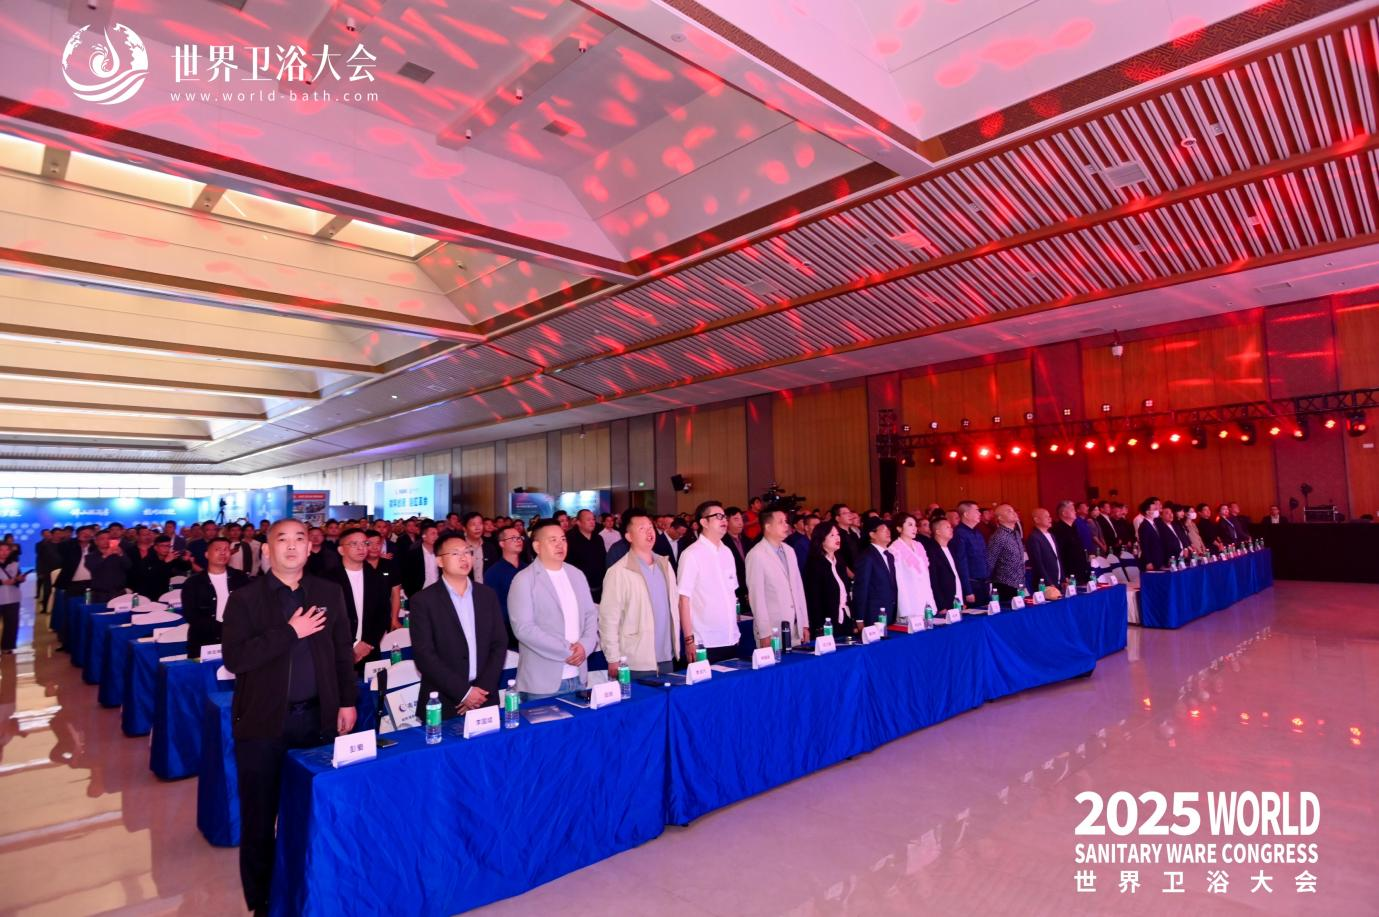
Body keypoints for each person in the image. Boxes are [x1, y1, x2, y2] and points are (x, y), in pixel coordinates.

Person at [223, 519, 357, 916]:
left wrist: (346, 701)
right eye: (282, 539)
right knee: (260, 817)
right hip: (263, 725)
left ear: (311, 548)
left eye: (301, 538)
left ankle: (314, 889)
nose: (293, 546)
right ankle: (262, 901)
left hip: (317, 721)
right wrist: (290, 631)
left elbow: (341, 653)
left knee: (313, 810)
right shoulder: (245, 599)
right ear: (267, 550)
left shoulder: (328, 592)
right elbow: (236, 659)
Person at [408, 532, 507, 719]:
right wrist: (464, 693)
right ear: (439, 561)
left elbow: (499, 644)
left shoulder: (487, 595)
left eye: (467, 552)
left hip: (484, 697)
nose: (464, 558)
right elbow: (424, 655)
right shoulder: (423, 601)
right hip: (444, 701)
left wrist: (481, 690)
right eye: (455, 553)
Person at [507, 520, 598, 699]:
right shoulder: (524, 580)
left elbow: (590, 614)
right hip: (541, 682)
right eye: (553, 540)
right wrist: (567, 650)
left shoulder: (576, 574)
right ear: (537, 546)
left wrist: (585, 646)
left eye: (563, 539)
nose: (560, 545)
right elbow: (524, 629)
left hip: (578, 675)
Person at [599, 509, 680, 678]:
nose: (649, 532)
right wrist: (613, 658)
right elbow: (608, 619)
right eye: (642, 529)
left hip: (667, 655)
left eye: (650, 527)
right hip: (637, 660)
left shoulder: (664, 565)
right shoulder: (618, 572)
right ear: (629, 536)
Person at [676, 501, 742, 664]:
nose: (724, 520)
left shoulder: (727, 552)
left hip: (730, 638)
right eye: (718, 516)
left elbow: (731, 593)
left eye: (724, 516)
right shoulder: (691, 554)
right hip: (705, 642)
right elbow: (683, 600)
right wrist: (689, 640)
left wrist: (734, 628)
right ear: (704, 522)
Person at [745, 506, 810, 646]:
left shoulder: (790, 550)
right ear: (768, 527)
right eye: (781, 522)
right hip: (773, 630)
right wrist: (764, 633)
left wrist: (804, 623)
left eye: (786, 521)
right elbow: (757, 597)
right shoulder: (756, 554)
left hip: (796, 627)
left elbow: (798, 588)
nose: (786, 525)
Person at [331, 529, 391, 669]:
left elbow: (383, 613)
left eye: (365, 543)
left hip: (369, 650)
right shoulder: (328, 580)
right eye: (354, 544)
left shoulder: (376, 577)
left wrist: (368, 644)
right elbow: (329, 619)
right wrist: (353, 644)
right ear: (341, 550)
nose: (361, 548)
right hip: (338, 651)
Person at [182, 538, 249, 659]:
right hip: (204, 642)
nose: (223, 553)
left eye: (226, 549)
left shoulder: (241, 578)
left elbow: (250, 607)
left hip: (238, 640)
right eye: (218, 549)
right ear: (207, 554)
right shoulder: (193, 583)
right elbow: (191, 615)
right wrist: (223, 628)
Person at [803, 521, 855, 638]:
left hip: (844, 616)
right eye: (832, 535)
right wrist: (818, 625)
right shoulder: (815, 564)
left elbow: (845, 591)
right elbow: (813, 598)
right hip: (826, 622)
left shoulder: (839, 561)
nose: (837, 538)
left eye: (838, 534)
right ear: (821, 540)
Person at [887, 513, 936, 623]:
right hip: (909, 597)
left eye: (915, 525)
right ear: (899, 528)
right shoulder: (894, 549)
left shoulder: (919, 545)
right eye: (910, 525)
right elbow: (898, 579)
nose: (914, 528)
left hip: (924, 593)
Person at [484, 524, 526, 650]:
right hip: (508, 630)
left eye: (519, 537)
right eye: (513, 538)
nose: (518, 541)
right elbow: (493, 606)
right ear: (502, 544)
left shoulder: (528, 569)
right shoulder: (493, 572)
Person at [851, 517, 898, 628]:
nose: (888, 532)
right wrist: (859, 618)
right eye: (883, 529)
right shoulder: (867, 556)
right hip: (873, 614)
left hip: (890, 612)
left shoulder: (889, 556)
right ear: (872, 534)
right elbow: (861, 587)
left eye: (888, 529)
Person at [952, 501, 991, 606]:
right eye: (976, 511)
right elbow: (961, 563)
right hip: (972, 584)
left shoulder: (978, 532)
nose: (979, 514)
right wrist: (968, 590)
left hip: (984, 582)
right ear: (966, 514)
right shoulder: (959, 534)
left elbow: (984, 557)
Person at [565, 509, 607, 602]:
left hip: (599, 587)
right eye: (588, 520)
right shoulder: (569, 539)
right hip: (578, 588)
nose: (592, 522)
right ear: (578, 522)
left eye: (593, 519)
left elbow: (603, 560)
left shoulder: (598, 538)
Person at [985, 504, 1026, 602]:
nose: (1013, 513)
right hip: (1005, 584)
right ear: (1000, 518)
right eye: (1009, 511)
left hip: (1019, 583)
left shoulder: (1016, 533)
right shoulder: (998, 536)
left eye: (1013, 510)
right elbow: (990, 561)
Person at [923, 517, 965, 610]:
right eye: (947, 527)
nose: (951, 529)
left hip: (958, 598)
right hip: (945, 602)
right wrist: (941, 605)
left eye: (951, 527)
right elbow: (933, 580)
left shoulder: (952, 548)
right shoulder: (931, 551)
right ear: (938, 532)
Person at [1051, 501, 1092, 585]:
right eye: (1072, 510)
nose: (1075, 512)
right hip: (1069, 573)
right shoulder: (1058, 530)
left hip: (1080, 570)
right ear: (1064, 513)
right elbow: (1059, 554)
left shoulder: (1074, 527)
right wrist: (1064, 575)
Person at [88, 529, 132, 604]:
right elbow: (92, 566)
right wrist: (106, 555)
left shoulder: (118, 553)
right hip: (100, 594)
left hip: (119, 592)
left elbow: (128, 566)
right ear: (96, 542)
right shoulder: (90, 556)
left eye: (109, 538)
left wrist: (121, 554)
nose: (106, 541)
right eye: (102, 539)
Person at [400, 521, 440, 597]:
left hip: (438, 591)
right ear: (424, 536)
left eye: (437, 534)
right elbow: (406, 576)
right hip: (419, 591)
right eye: (433, 534)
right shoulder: (413, 554)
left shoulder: (440, 553)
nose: (436, 536)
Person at [1026, 508, 1063, 588]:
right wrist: (1048, 583)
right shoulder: (1034, 537)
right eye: (1046, 516)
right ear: (1036, 520)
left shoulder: (1051, 535)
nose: (1050, 519)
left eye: (1049, 516)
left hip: (1057, 581)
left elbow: (1057, 558)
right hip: (1045, 584)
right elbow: (1037, 563)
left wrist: (1062, 578)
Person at [460, 512, 497, 585]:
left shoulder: (490, 547)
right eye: (473, 524)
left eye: (480, 524)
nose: (478, 528)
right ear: (464, 528)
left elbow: (494, 571)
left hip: (485, 588)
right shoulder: (459, 547)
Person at [0, 543, 24, 654]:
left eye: (7, 550)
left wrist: (20, 579)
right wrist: (2, 582)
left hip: (12, 597)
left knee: (11, 623)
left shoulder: (14, 563)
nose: (4, 553)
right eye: (1, 550)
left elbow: (18, 577)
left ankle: (7, 646)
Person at [1137, 498, 1166, 572]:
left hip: (1158, 558)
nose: (1157, 511)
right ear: (1148, 512)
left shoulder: (1154, 523)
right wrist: (1148, 562)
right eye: (1154, 509)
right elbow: (1144, 545)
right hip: (1151, 561)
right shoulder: (1144, 526)